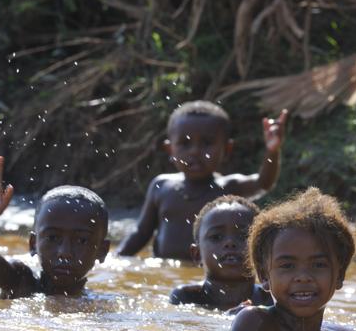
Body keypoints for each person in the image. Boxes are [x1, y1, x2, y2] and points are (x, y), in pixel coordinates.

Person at [117, 101, 288, 260]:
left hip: (209, 277)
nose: (195, 151)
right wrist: (118, 259)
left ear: (227, 149)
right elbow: (141, 233)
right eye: (185, 143)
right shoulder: (161, 186)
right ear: (170, 149)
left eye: (207, 143)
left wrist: (272, 151)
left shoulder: (228, 187)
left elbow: (263, 183)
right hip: (163, 269)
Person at [229, 188, 356, 331]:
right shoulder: (253, 322)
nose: (303, 277)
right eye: (288, 266)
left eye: (318, 265)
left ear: (340, 275)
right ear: (264, 276)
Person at [0, 152, 110, 299]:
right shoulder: (21, 282)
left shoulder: (101, 303)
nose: (64, 252)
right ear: (33, 244)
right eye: (53, 238)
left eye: (82, 240)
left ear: (102, 250)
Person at [169, 195, 272, 310]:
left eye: (244, 236)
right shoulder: (186, 297)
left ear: (262, 252)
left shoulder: (270, 299)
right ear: (197, 255)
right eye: (216, 237)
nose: (230, 243)